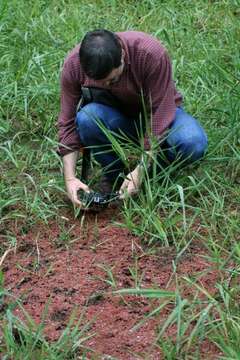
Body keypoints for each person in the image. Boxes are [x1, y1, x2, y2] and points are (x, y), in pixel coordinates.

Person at [57, 29, 207, 207]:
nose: (107, 85)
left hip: (161, 114)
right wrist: (70, 179)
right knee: (87, 118)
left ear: (122, 54)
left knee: (193, 143)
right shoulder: (73, 65)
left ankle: (154, 173)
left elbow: (160, 114)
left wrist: (142, 168)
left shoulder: (150, 53)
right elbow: (67, 122)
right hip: (116, 119)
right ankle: (115, 175)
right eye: (101, 83)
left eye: (112, 80)